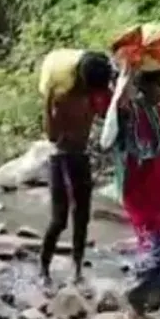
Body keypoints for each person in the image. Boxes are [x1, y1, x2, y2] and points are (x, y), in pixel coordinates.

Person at [109, 67, 160, 319]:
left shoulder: (158, 111)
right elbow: (119, 110)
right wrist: (126, 76)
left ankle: (147, 299)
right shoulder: (134, 112)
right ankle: (134, 295)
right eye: (159, 85)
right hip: (140, 191)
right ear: (144, 86)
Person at [38, 50, 115, 285]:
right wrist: (48, 105)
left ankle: (77, 268)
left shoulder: (93, 94)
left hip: (80, 157)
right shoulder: (62, 96)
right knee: (59, 220)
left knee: (82, 217)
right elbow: (52, 136)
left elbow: (106, 114)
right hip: (60, 158)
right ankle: (44, 268)